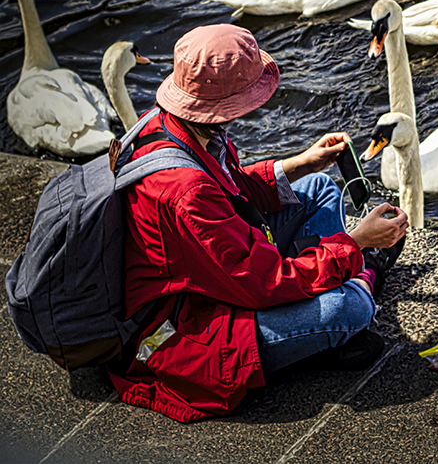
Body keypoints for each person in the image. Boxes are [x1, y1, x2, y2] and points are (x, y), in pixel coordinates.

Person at [107, 24, 409, 423]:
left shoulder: (169, 125)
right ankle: (363, 278)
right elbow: (263, 285)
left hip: (214, 277)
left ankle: (340, 289)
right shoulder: (187, 191)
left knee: (316, 184)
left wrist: (300, 163)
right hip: (183, 330)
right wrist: (355, 243)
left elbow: (231, 189)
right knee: (347, 308)